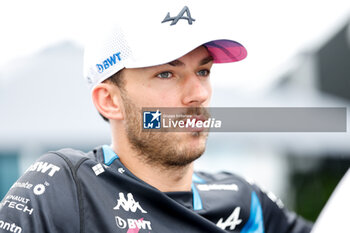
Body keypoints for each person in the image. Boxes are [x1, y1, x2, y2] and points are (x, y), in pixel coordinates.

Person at [0, 1, 312, 232]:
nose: (199, 93)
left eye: (203, 70)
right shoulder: (65, 185)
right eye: (166, 73)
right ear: (109, 101)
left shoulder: (245, 201)